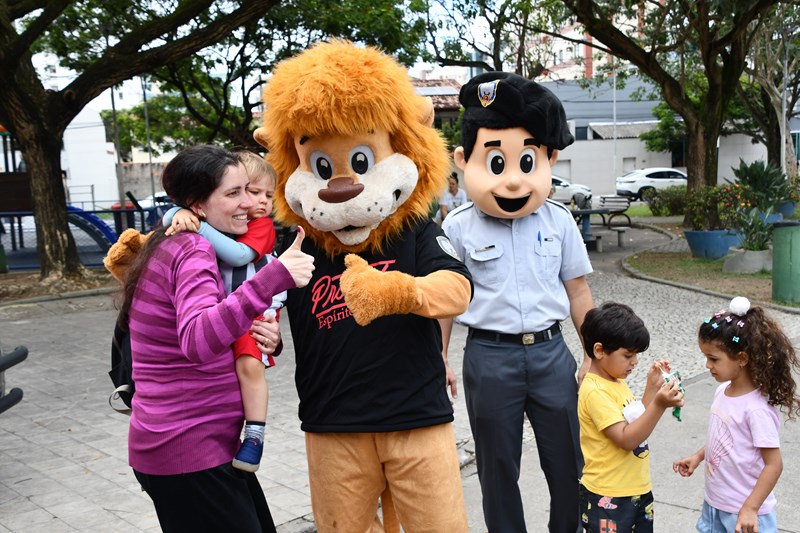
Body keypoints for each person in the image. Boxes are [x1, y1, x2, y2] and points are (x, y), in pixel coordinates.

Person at [254, 41, 473, 532]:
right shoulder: (299, 244)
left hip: (417, 418)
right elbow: (252, 299)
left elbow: (457, 288)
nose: (342, 185)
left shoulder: (413, 230)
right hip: (333, 425)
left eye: (360, 157)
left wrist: (400, 291)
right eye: (324, 167)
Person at [113, 144, 314, 533]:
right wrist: (273, 277)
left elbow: (217, 320)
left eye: (250, 190)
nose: (247, 203)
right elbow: (198, 339)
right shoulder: (192, 251)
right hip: (188, 450)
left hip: (200, 449)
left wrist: (265, 333)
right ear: (197, 205)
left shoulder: (177, 242)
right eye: (233, 193)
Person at [439, 71, 595, 532]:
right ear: (464, 160)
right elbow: (446, 302)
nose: (511, 180)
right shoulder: (458, 228)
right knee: (497, 470)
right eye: (495, 162)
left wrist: (593, 352)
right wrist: (438, 358)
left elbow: (579, 291)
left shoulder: (561, 221)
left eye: (526, 161)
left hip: (551, 355)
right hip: (489, 357)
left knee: (569, 463)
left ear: (546, 157)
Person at [162, 150, 282, 472]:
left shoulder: (260, 226)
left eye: (266, 195)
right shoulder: (202, 235)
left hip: (253, 308)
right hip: (226, 308)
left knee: (248, 366)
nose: (257, 202)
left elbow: (240, 255)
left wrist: (195, 223)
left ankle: (255, 433)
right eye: (246, 191)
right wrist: (175, 213)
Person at [672, 296, 800, 533]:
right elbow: (724, 436)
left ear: (741, 358)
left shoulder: (757, 409)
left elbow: (774, 465)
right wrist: (699, 456)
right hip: (715, 504)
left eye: (713, 359)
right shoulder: (723, 391)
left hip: (744, 513)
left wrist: (751, 508)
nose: (707, 366)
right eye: (705, 358)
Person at [578, 302, 685, 532]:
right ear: (599, 350)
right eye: (628, 355)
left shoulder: (616, 381)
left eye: (636, 355)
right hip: (608, 497)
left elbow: (634, 421)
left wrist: (652, 388)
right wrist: (659, 404)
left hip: (635, 490)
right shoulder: (595, 391)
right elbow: (627, 439)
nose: (634, 361)